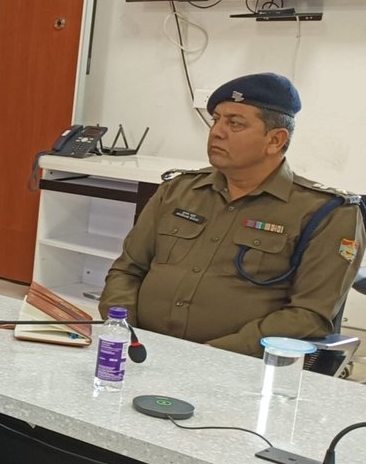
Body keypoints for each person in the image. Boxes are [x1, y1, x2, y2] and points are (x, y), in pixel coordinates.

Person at [100, 73, 362, 356]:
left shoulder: (327, 213)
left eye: (235, 123)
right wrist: (124, 331)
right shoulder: (178, 190)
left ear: (275, 140)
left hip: (238, 363)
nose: (217, 132)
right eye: (216, 120)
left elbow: (309, 315)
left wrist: (215, 353)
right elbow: (127, 269)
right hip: (139, 351)